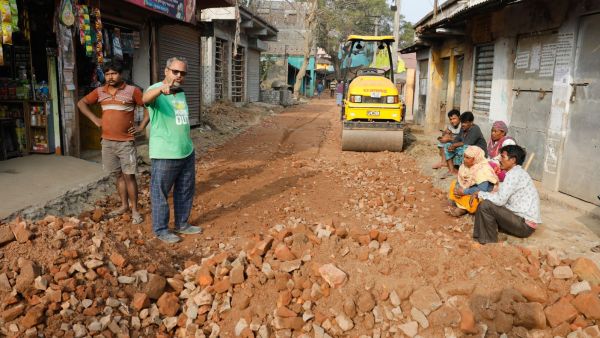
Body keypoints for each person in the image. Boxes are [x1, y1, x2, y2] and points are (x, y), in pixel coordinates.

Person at [77, 61, 148, 224]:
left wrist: (141, 126)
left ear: (121, 74)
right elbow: (81, 103)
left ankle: (135, 210)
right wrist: (95, 118)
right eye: (107, 74)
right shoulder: (100, 91)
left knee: (129, 176)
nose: (110, 77)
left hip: (126, 142)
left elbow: (148, 107)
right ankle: (124, 206)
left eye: (114, 73)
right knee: (117, 175)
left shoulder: (132, 91)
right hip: (107, 142)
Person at [143, 56, 202, 243]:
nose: (179, 76)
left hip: (185, 150)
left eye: (182, 73)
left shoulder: (180, 92)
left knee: (185, 189)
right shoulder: (155, 89)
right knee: (160, 192)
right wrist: (160, 90)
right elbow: (145, 99)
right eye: (175, 71)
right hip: (165, 153)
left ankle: (182, 224)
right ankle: (161, 230)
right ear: (166, 71)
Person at [472, 145, 541, 244]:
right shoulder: (515, 173)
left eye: (503, 157)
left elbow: (500, 200)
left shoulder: (514, 175)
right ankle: (481, 238)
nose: (500, 160)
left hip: (524, 225)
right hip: (520, 219)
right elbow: (501, 196)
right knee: (488, 203)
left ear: (513, 160)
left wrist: (480, 194)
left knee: (486, 205)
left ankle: (488, 242)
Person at [448, 146, 498, 216]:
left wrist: (464, 191)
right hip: (467, 189)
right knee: (454, 184)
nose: (464, 160)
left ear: (476, 158)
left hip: (480, 192)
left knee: (477, 200)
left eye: (467, 158)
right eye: (464, 157)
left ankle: (463, 208)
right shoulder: (465, 166)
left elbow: (482, 190)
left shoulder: (483, 170)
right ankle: (459, 203)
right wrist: (458, 188)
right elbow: (460, 180)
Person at [443, 111, 487, 176]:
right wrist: (452, 145)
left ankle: (463, 172)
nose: (463, 124)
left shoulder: (475, 129)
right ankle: (451, 170)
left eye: (466, 122)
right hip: (468, 148)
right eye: (462, 122)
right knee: (447, 145)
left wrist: (455, 145)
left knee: (465, 148)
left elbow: (468, 143)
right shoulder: (463, 128)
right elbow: (457, 138)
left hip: (479, 152)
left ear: (471, 122)